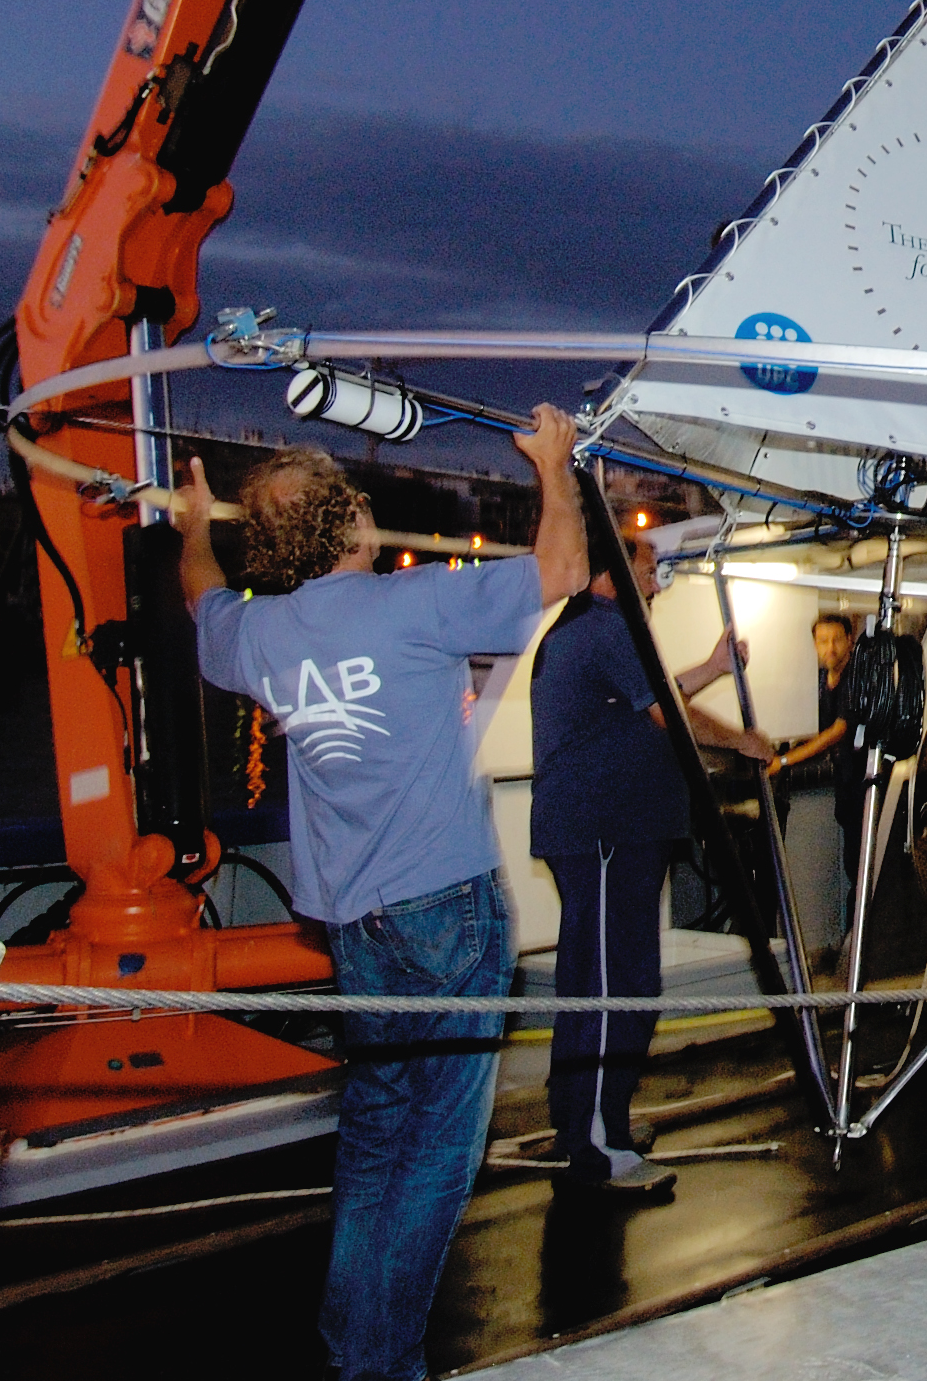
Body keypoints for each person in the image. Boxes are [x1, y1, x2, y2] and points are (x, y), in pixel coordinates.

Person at [176, 408, 587, 1381]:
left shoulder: (257, 633)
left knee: (374, 1133)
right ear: (353, 524)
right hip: (443, 908)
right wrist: (553, 468)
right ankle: (381, 1361)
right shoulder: (413, 608)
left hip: (354, 925)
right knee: (441, 1147)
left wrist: (192, 525)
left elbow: (201, 598)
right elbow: (563, 571)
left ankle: (352, 1345)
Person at [530, 523, 776, 1192]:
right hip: (607, 836)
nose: (654, 580)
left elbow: (649, 699)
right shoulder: (608, 627)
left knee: (593, 982)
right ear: (611, 573)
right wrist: (744, 741)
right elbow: (670, 711)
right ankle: (602, 1149)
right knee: (620, 989)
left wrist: (715, 668)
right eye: (645, 567)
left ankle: (583, 1124)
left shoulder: (594, 631)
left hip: (605, 836)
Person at [814, 614, 866, 923]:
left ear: (849, 640)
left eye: (836, 639)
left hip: (863, 785)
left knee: (860, 868)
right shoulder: (822, 682)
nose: (829, 648)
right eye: (822, 641)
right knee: (852, 865)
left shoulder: (855, 680)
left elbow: (838, 731)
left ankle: (856, 940)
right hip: (845, 787)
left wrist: (785, 761)